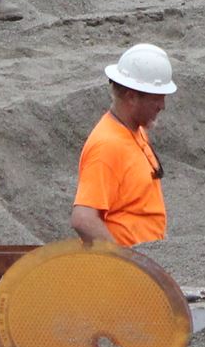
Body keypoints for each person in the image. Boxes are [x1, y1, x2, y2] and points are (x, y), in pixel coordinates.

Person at [71, 43, 173, 247]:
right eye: (156, 98)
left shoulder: (136, 130)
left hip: (148, 262)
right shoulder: (107, 146)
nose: (162, 106)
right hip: (126, 272)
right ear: (132, 97)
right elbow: (83, 219)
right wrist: (124, 263)